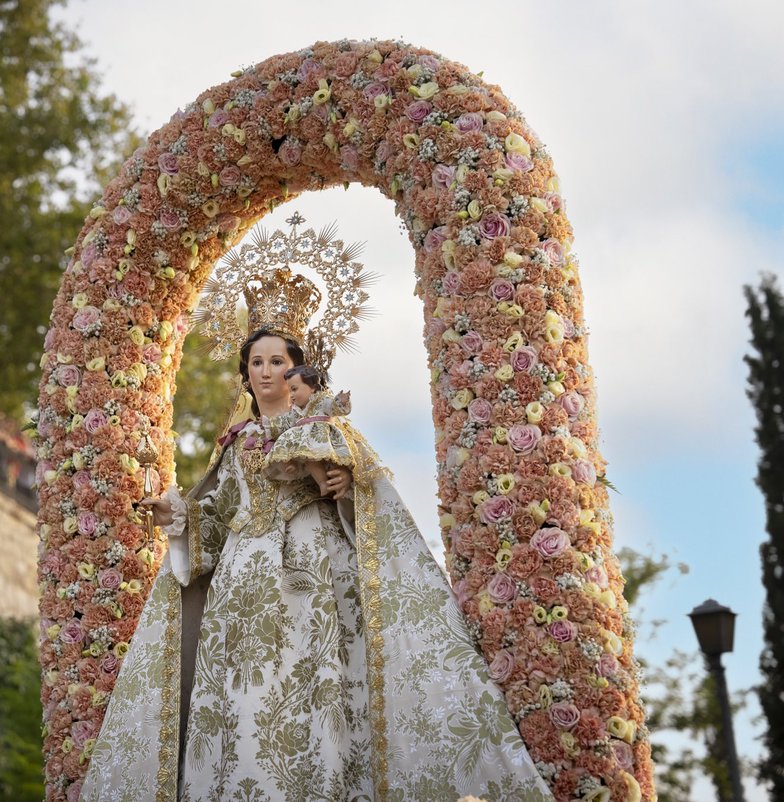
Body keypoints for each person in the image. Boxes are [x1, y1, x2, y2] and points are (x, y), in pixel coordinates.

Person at [78, 268, 553, 801]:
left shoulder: (328, 429)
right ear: (245, 373)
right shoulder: (235, 444)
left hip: (311, 568)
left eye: (277, 361)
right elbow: (219, 515)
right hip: (241, 581)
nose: (266, 372)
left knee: (310, 680)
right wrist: (179, 514)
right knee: (243, 697)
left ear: (298, 369)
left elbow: (368, 496)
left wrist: (346, 486)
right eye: (256, 362)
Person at [269, 363, 355, 495]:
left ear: (312, 388)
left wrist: (341, 401)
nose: (291, 395)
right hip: (307, 445)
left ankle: (340, 480)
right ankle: (320, 482)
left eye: (294, 389)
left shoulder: (322, 400)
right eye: (290, 391)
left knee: (334, 461)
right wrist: (269, 425)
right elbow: (285, 422)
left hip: (323, 439)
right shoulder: (296, 411)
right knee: (309, 462)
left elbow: (333, 408)